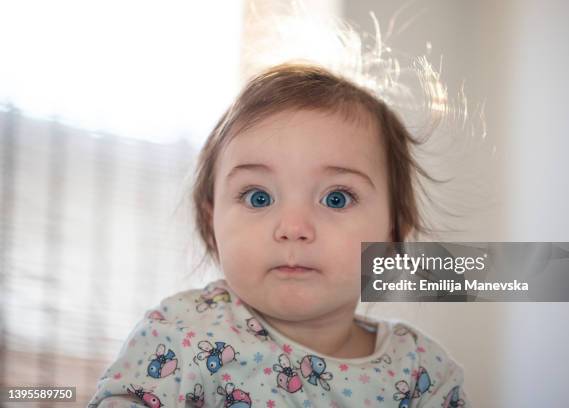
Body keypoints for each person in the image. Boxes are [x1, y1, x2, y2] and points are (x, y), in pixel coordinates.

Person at [88, 63, 471, 408]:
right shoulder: (181, 333)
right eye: (258, 197)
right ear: (213, 222)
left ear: (391, 235)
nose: (293, 229)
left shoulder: (423, 374)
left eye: (336, 198)